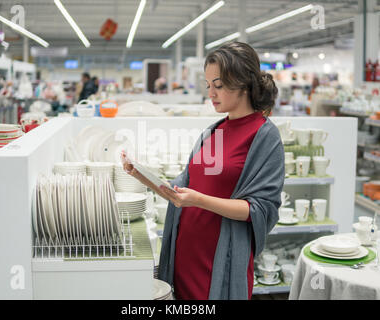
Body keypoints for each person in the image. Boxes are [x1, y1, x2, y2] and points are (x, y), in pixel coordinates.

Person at [121, 41, 284, 300]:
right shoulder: (213, 132)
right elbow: (179, 190)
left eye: (218, 85)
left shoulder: (265, 136)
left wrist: (198, 200)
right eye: (208, 86)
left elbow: (261, 209)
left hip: (220, 258)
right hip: (185, 251)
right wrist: (141, 174)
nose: (211, 93)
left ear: (243, 83)